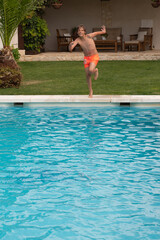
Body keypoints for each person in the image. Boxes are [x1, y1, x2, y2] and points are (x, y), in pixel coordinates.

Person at [69, 25, 106, 98]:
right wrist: (70, 46)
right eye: (79, 30)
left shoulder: (89, 36)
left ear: (84, 31)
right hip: (86, 58)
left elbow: (98, 33)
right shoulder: (78, 40)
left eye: (82, 30)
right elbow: (71, 49)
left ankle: (95, 70)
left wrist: (103, 31)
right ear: (77, 32)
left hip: (94, 56)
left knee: (90, 70)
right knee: (88, 75)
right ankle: (90, 91)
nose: (80, 31)